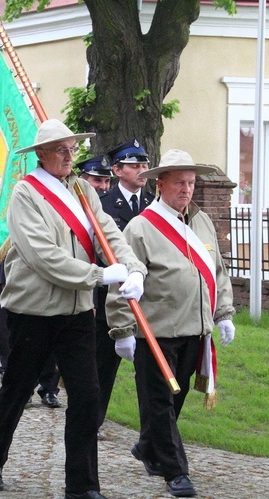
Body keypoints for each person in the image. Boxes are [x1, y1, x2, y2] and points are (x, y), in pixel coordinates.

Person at [0, 119, 147, 499]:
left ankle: (82, 485)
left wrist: (132, 268)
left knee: (87, 396)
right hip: (33, 311)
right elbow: (43, 257)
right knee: (17, 390)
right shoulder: (25, 194)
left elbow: (110, 234)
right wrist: (100, 276)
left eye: (72, 148)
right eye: (61, 149)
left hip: (76, 314)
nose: (69, 155)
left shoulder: (84, 191)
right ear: (41, 154)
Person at [106, 149, 236, 498]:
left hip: (195, 329)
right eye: (179, 182)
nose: (186, 189)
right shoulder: (141, 227)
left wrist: (223, 313)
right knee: (160, 404)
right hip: (156, 331)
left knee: (173, 402)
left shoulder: (202, 222)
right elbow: (124, 283)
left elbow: (217, 272)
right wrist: (122, 330)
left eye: (191, 182)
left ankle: (148, 447)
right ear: (160, 184)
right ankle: (176, 472)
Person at [96, 140, 155, 435]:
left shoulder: (154, 206)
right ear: (117, 170)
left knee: (148, 373)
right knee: (102, 366)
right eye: (134, 165)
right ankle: (92, 421)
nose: (142, 170)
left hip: (147, 297)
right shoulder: (103, 205)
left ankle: (151, 435)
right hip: (109, 300)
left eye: (144, 165)